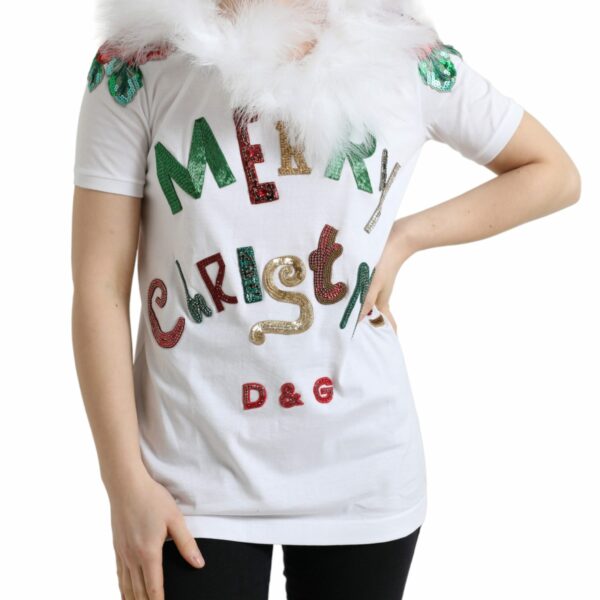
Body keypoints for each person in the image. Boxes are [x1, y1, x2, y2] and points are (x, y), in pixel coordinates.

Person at [70, 0, 581, 599]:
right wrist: (124, 483)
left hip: (362, 474)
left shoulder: (399, 55)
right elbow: (99, 287)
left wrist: (406, 237)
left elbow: (553, 173)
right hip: (188, 483)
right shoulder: (139, 62)